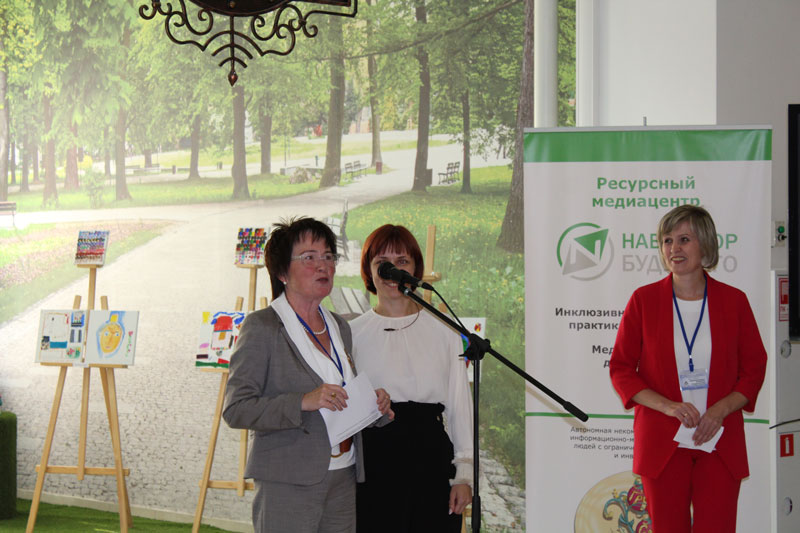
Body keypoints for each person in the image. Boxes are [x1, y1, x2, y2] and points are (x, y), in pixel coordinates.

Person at [223, 217, 392, 533]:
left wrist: (374, 404)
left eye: (328, 256)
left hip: (344, 474)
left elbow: (341, 397)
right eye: (309, 257)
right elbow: (236, 409)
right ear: (282, 272)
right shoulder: (262, 327)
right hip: (288, 478)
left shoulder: (339, 326)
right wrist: (302, 401)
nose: (323, 265)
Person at [609, 205, 767, 533]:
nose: (673, 249)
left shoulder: (734, 301)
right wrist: (669, 406)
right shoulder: (643, 300)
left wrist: (719, 411)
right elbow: (621, 368)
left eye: (684, 239)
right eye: (667, 240)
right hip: (663, 442)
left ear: (705, 244)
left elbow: (754, 368)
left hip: (718, 439)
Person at [350, 224, 473, 532]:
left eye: (402, 261)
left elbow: (460, 406)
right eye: (382, 262)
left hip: (430, 457)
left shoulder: (444, 330)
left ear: (416, 269)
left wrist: (464, 475)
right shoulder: (351, 334)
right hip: (374, 460)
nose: (392, 270)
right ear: (369, 270)